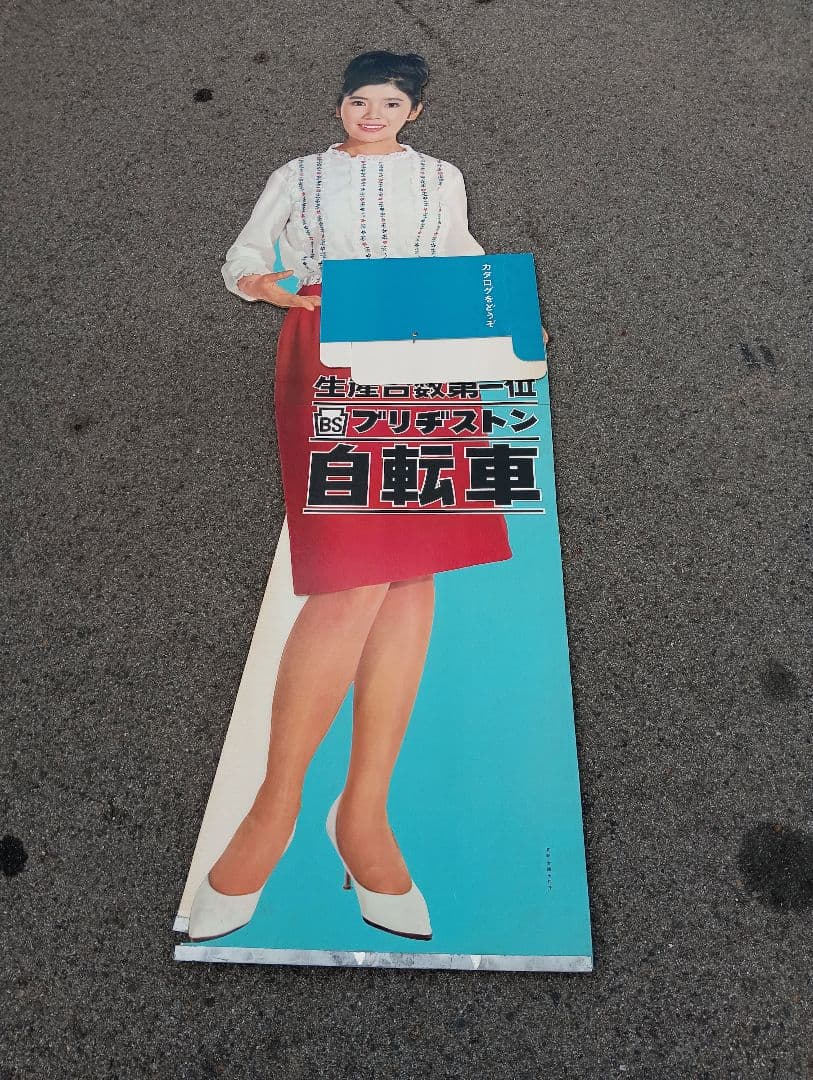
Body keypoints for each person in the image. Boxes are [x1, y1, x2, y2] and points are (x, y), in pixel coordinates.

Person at [188, 50, 531, 943]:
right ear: (339, 105)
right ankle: (274, 810)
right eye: (358, 100)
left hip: (428, 351)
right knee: (352, 576)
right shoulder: (299, 175)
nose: (371, 113)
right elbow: (245, 255)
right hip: (332, 346)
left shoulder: (441, 176)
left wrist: (503, 323)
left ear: (414, 112)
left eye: (390, 102)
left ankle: (364, 813)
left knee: (415, 571)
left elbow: (460, 255)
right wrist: (263, 284)